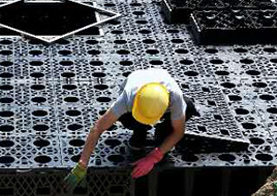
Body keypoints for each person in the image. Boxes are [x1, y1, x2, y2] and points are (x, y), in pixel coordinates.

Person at [66, 68, 196, 186]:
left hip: (161, 84)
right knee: (128, 119)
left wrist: (155, 156)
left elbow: (179, 131)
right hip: (136, 81)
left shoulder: (175, 98)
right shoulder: (127, 97)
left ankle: (162, 135)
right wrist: (82, 164)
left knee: (188, 108)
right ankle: (139, 134)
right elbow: (98, 128)